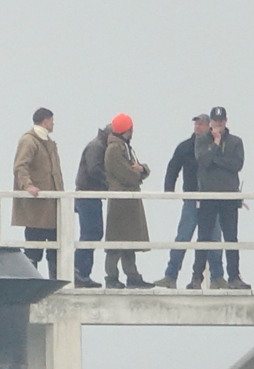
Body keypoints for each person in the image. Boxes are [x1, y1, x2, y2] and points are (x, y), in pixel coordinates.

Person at [193, 106, 250, 290]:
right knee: (204, 238)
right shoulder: (201, 141)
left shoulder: (236, 142)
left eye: (221, 121)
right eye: (215, 121)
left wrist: (216, 159)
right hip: (208, 197)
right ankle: (196, 277)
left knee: (231, 238)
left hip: (229, 197)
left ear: (226, 121)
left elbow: (236, 165)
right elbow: (204, 161)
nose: (218, 124)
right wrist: (216, 145)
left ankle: (234, 277)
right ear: (211, 122)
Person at [154, 113, 211, 288]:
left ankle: (217, 278)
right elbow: (173, 167)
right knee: (183, 237)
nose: (197, 127)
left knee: (214, 240)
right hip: (191, 199)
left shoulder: (214, 147)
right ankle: (170, 276)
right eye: (196, 124)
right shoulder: (186, 147)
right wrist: (169, 189)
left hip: (211, 201)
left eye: (201, 124)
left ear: (209, 126)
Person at [101, 114, 152, 288]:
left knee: (128, 240)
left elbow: (136, 169)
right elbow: (126, 174)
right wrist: (140, 173)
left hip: (127, 201)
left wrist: (141, 169)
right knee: (116, 241)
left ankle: (132, 276)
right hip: (120, 201)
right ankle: (112, 277)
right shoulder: (115, 149)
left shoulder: (122, 147)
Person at [12, 109, 64, 277]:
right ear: (44, 121)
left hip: (51, 206)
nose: (53, 123)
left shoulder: (48, 142)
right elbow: (21, 166)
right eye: (51, 120)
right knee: (34, 247)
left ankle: (54, 280)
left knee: (55, 247)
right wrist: (27, 185)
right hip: (36, 207)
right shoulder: (29, 140)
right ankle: (31, 281)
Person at [71, 123, 112, 287]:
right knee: (91, 233)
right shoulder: (96, 147)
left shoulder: (98, 145)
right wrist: (110, 184)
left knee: (92, 233)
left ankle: (82, 273)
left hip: (90, 196)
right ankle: (78, 272)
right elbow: (94, 169)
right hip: (87, 195)